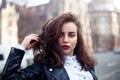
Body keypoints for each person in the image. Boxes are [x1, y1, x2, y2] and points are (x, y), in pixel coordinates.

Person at [0, 13, 98, 80]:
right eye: (60, 35)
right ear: (54, 38)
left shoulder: (86, 63)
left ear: (78, 39)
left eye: (71, 35)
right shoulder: (43, 68)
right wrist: (22, 48)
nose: (65, 40)